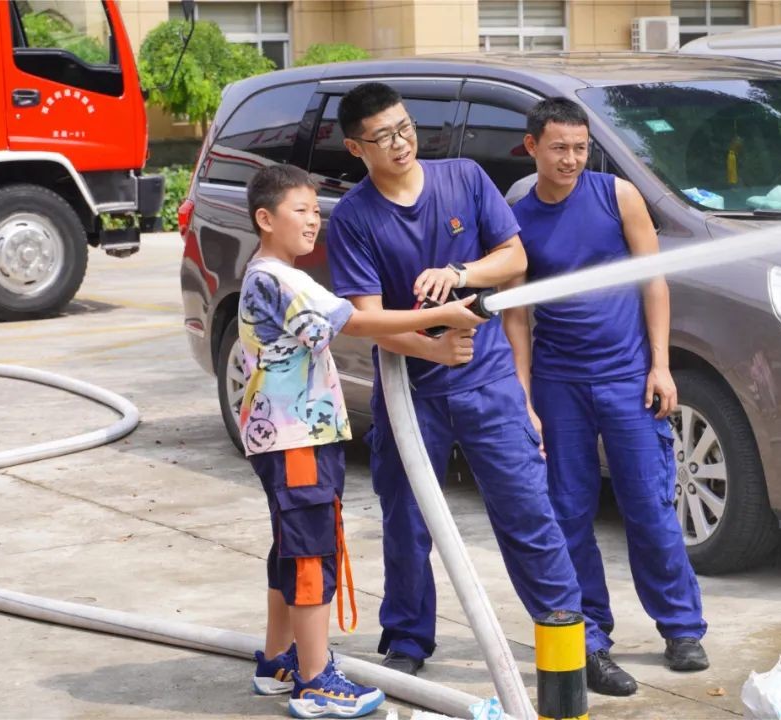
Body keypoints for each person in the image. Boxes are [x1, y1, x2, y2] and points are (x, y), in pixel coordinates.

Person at [325, 82, 591, 679]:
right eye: (383, 137)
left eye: (405, 127)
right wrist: (434, 345)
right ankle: (409, 641)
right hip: (410, 391)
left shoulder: (464, 178)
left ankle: (575, 641)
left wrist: (458, 273)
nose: (400, 143)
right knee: (407, 518)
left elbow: (514, 258)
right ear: (355, 147)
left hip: (488, 382)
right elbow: (367, 319)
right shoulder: (353, 220)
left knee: (527, 511)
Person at [240, 163, 487, 717]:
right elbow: (351, 320)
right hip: (294, 439)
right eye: (299, 210)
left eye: (314, 209)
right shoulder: (280, 278)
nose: (313, 220)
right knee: (311, 554)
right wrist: (442, 317)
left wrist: (430, 339)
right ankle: (315, 682)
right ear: (265, 218)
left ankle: (281, 658)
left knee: (291, 546)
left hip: (289, 436)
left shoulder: (274, 274)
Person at [505, 97, 710, 694]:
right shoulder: (520, 216)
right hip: (559, 383)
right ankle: (590, 634)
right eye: (558, 147)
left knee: (648, 507)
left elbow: (654, 280)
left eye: (579, 146)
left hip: (627, 379)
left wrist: (661, 366)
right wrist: (525, 397)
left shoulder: (617, 196)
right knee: (568, 514)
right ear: (532, 147)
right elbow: (517, 317)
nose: (571, 158)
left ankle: (681, 628)